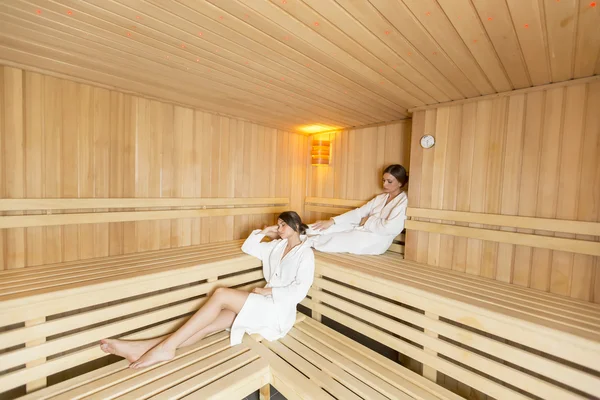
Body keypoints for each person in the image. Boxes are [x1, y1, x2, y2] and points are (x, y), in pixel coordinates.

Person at [99, 211, 314, 369]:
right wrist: (265, 231)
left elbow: (300, 290)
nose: (278, 229)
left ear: (295, 226)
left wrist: (268, 292)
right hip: (262, 305)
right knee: (207, 325)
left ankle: (166, 348)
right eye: (277, 225)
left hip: (277, 311)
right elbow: (248, 247)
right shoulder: (275, 247)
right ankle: (141, 349)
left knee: (221, 294)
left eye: (282, 225)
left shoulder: (305, 253)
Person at [307, 164, 408, 255]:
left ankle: (303, 242)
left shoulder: (402, 202)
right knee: (327, 227)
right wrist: (332, 221)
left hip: (375, 240)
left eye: (389, 181)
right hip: (362, 229)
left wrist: (368, 220)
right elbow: (359, 213)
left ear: (400, 183)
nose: (385, 184)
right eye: (383, 180)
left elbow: (390, 228)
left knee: (336, 238)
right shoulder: (381, 198)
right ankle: (298, 232)